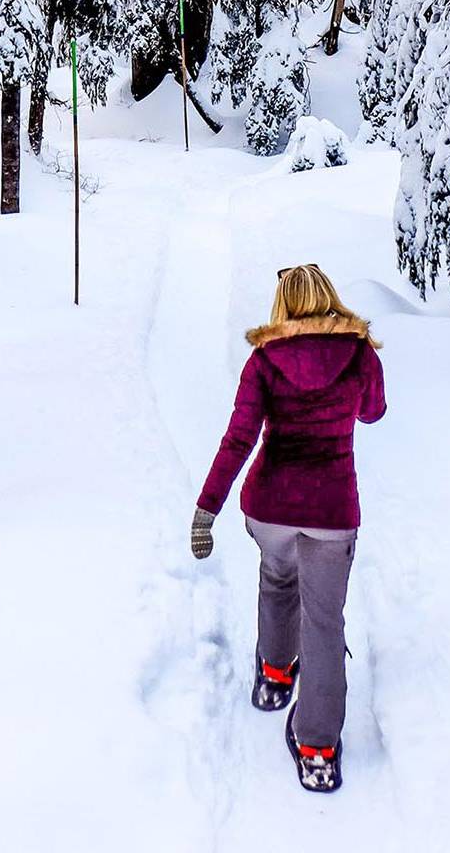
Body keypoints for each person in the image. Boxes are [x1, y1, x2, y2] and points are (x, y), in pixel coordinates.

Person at [190, 263, 386, 794]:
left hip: (270, 505)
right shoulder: (360, 352)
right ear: (330, 296)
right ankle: (318, 750)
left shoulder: (264, 360)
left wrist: (207, 509)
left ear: (282, 304)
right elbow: (374, 413)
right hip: (331, 511)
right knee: (323, 622)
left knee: (277, 580)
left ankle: (274, 678)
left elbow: (238, 439)